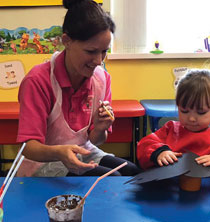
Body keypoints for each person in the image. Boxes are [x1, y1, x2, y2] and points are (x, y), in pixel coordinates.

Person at [16, 0, 140, 177]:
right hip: (43, 162)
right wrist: (59, 152)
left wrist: (99, 128)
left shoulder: (101, 79)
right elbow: (28, 148)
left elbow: (96, 140)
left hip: (82, 152)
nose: (99, 61)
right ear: (66, 41)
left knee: (132, 173)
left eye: (104, 51)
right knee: (112, 178)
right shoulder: (38, 81)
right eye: (91, 51)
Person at [137, 69, 210, 178]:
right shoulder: (170, 129)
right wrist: (159, 152)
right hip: (171, 192)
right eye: (184, 111)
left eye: (201, 112)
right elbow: (145, 145)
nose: (192, 118)